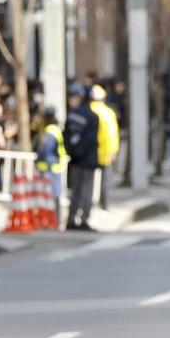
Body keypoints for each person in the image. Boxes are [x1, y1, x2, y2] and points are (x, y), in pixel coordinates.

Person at [64, 84, 100, 231]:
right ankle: (82, 219)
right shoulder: (92, 116)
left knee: (76, 191)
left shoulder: (72, 115)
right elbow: (90, 138)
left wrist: (72, 152)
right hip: (86, 159)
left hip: (76, 159)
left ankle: (72, 219)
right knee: (85, 191)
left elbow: (66, 136)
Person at [35, 106, 67, 228]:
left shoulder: (50, 131)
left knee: (51, 196)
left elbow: (45, 150)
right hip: (55, 167)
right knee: (54, 196)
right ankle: (54, 221)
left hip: (50, 168)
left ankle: (53, 221)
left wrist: (39, 162)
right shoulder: (55, 129)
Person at [90, 85, 120, 210]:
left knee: (88, 181)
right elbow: (112, 133)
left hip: (89, 152)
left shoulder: (88, 110)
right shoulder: (108, 113)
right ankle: (104, 204)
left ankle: (90, 204)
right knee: (104, 181)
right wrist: (114, 150)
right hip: (105, 151)